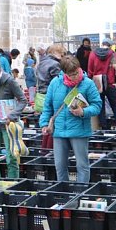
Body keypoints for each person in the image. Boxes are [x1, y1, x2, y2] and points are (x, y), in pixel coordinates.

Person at [40, 55, 101, 183]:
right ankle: (63, 191)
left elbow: (97, 105)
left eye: (76, 72)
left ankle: (81, 191)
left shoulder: (88, 83)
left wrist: (83, 112)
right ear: (64, 72)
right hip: (59, 131)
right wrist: (44, 124)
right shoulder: (55, 83)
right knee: (60, 166)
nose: (75, 76)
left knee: (82, 165)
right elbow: (47, 107)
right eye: (71, 74)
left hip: (79, 131)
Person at [88, 39, 116, 128]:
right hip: (110, 82)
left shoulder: (93, 54)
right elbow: (115, 69)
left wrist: (91, 79)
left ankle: (104, 127)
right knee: (115, 106)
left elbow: (90, 70)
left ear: (102, 44)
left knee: (100, 106)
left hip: (97, 83)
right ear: (110, 45)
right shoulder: (113, 54)